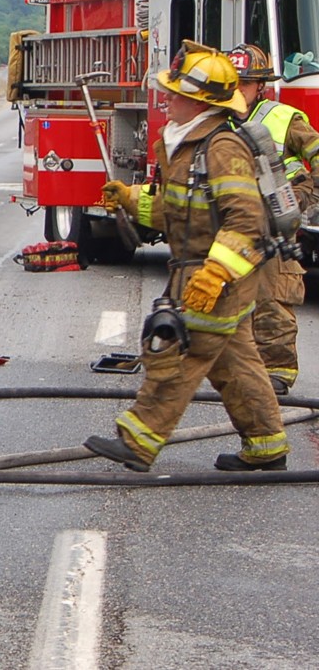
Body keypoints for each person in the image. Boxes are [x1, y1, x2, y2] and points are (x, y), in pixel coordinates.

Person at [91, 40, 288, 472]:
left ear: (200, 102)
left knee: (178, 353)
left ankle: (139, 442)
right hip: (199, 271)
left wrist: (215, 273)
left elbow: (246, 221)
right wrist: (132, 199)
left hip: (217, 276)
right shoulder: (188, 144)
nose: (168, 99)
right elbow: (181, 211)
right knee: (234, 363)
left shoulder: (221, 148)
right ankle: (266, 446)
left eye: (176, 94)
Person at [228, 42, 317, 395]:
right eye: (232, 83)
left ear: (260, 86)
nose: (238, 91)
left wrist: (310, 196)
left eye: (245, 83)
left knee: (272, 295)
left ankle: (278, 373)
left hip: (276, 218)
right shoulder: (219, 121)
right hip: (235, 222)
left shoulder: (282, 118)